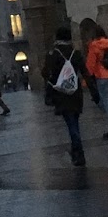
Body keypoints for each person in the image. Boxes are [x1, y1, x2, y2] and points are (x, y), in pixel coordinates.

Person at [41, 27, 87, 167]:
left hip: (62, 93)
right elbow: (85, 72)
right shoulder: (76, 53)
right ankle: (76, 150)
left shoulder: (54, 54)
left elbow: (45, 73)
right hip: (75, 92)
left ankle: (78, 152)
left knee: (71, 123)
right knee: (74, 121)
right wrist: (94, 91)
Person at [82, 21, 108, 140]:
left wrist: (86, 79)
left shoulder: (94, 45)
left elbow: (90, 63)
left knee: (105, 102)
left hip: (101, 76)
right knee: (105, 101)